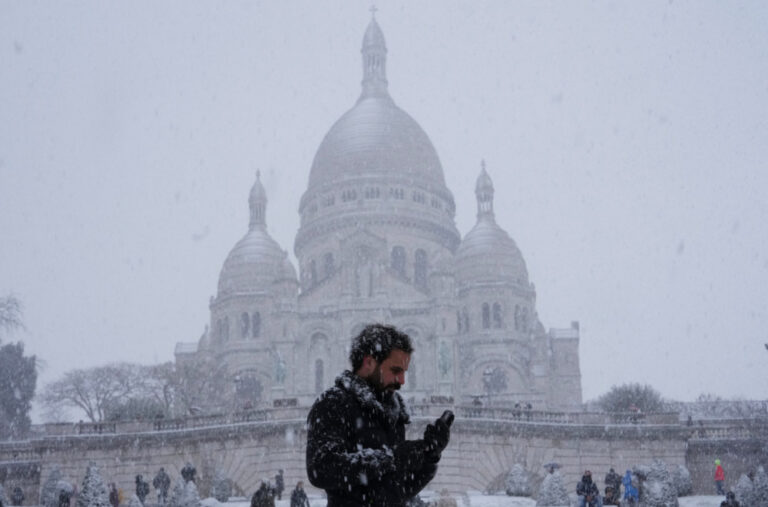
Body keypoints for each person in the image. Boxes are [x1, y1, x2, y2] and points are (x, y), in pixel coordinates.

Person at [306, 324, 452, 506]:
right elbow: (321, 469)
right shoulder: (333, 403)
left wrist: (430, 456)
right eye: (395, 371)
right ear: (369, 363)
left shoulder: (393, 411)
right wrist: (391, 458)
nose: (402, 381)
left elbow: (400, 491)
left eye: (404, 372)